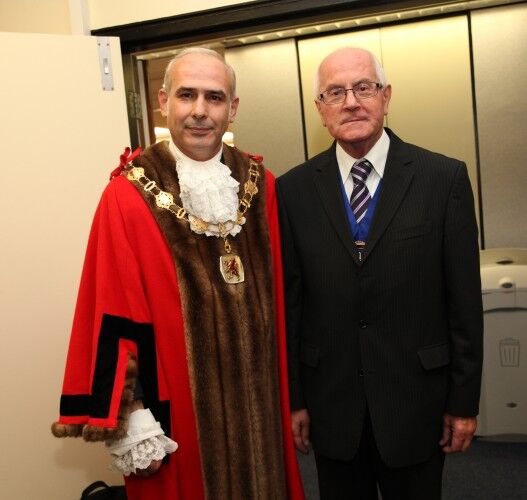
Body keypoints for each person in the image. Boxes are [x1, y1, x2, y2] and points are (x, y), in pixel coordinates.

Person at [52, 47, 304, 500]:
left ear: (233, 108)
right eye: (187, 95)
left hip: (260, 410)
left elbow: (285, 306)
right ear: (163, 102)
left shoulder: (260, 185)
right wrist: (132, 415)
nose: (200, 111)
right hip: (177, 415)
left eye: (214, 97)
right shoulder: (127, 195)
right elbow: (112, 311)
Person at [276, 47, 483, 500]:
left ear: (386, 96)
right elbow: (291, 305)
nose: (351, 102)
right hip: (332, 407)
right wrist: (295, 399)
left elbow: (464, 303)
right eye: (335, 92)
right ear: (321, 109)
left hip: (417, 403)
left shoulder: (443, 178)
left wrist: (464, 402)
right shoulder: (291, 191)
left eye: (363, 88)